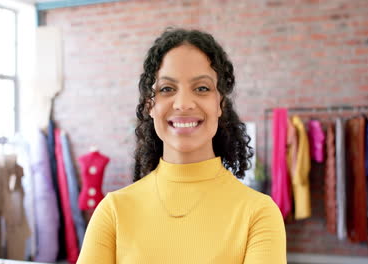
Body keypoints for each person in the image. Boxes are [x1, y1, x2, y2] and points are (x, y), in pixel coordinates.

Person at [77, 28, 286, 263]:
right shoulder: (113, 212)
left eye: (202, 88)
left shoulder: (258, 214)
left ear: (220, 104)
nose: (184, 103)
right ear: (150, 105)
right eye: (167, 89)